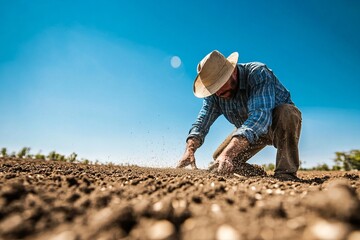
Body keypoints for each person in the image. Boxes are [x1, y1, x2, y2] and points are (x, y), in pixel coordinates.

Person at [176, 50, 302, 180]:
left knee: (287, 113)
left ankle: (285, 173)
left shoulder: (257, 73)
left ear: (233, 71)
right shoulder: (214, 94)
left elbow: (259, 117)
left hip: (276, 124)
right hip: (248, 132)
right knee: (220, 160)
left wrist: (229, 153)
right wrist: (189, 150)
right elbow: (201, 122)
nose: (218, 93)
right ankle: (256, 174)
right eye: (213, 88)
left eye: (220, 84)